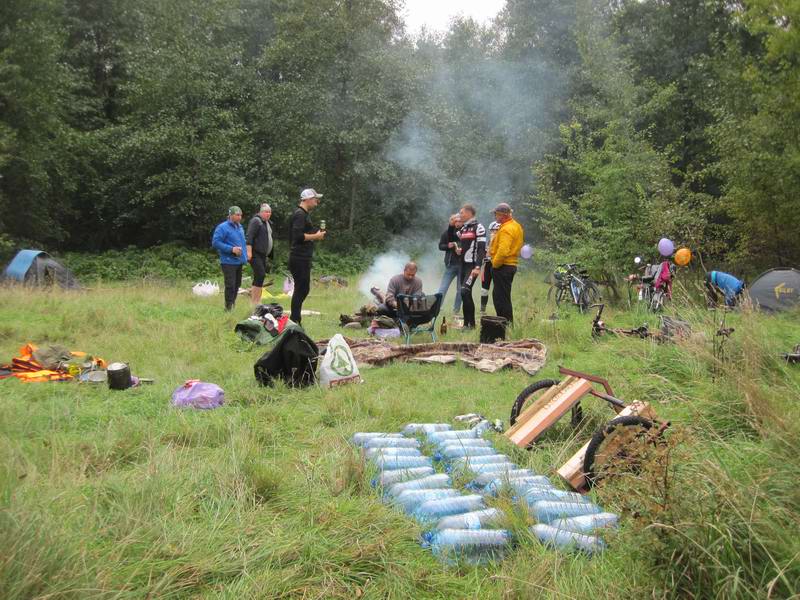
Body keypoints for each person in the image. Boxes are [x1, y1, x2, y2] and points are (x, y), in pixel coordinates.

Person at [288, 188, 326, 325]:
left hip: (302, 257)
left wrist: (315, 233)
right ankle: (294, 320)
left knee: (303, 288)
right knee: (301, 289)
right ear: (308, 199)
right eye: (315, 199)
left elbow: (302, 233)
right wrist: (316, 236)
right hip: (299, 257)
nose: (317, 202)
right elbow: (297, 236)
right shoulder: (300, 214)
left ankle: (295, 319)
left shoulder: (304, 214)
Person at [489, 202, 524, 323]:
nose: (495, 216)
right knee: (504, 298)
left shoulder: (506, 229)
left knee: (500, 299)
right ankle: (508, 326)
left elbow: (503, 251)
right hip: (510, 265)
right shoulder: (516, 225)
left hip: (503, 266)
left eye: (496, 214)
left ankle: (504, 327)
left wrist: (495, 264)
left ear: (503, 215)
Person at [212, 206, 248, 311]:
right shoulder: (222, 227)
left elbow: (243, 243)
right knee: (230, 285)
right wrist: (231, 249)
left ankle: (232, 304)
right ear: (230, 215)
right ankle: (228, 308)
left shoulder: (240, 227)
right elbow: (215, 243)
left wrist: (245, 258)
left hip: (239, 261)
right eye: (237, 215)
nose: (239, 217)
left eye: (241, 215)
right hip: (228, 261)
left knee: (237, 284)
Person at [457, 204, 486, 329]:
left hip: (472, 266)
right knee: (464, 294)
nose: (460, 215)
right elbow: (463, 244)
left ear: (469, 213)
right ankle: (466, 324)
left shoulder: (479, 227)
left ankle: (472, 324)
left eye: (462, 212)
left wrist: (478, 267)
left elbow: (481, 249)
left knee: (464, 290)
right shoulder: (464, 228)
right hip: (462, 266)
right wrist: (460, 250)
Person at [246, 202, 274, 306]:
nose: (268, 214)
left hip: (263, 255)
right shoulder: (256, 221)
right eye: (266, 212)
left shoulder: (267, 223)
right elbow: (249, 237)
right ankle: (254, 301)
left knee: (260, 276)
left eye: (270, 212)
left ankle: (258, 300)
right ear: (261, 212)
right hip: (255, 253)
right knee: (260, 274)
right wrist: (249, 252)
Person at [436, 213, 463, 314]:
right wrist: (448, 246)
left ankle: (456, 310)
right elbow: (440, 246)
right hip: (450, 265)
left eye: (459, 221)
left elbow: (468, 245)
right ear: (451, 222)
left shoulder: (464, 232)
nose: (457, 223)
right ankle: (437, 307)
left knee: (460, 290)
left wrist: (459, 247)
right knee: (443, 287)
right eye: (455, 221)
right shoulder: (447, 233)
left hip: (462, 265)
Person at [480, 220, 501, 314]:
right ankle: (482, 309)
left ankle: (499, 310)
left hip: (497, 266)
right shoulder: (490, 240)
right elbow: (486, 252)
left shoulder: (502, 240)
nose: (493, 233)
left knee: (497, 290)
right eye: (491, 231)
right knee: (484, 289)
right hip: (488, 265)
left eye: (495, 230)